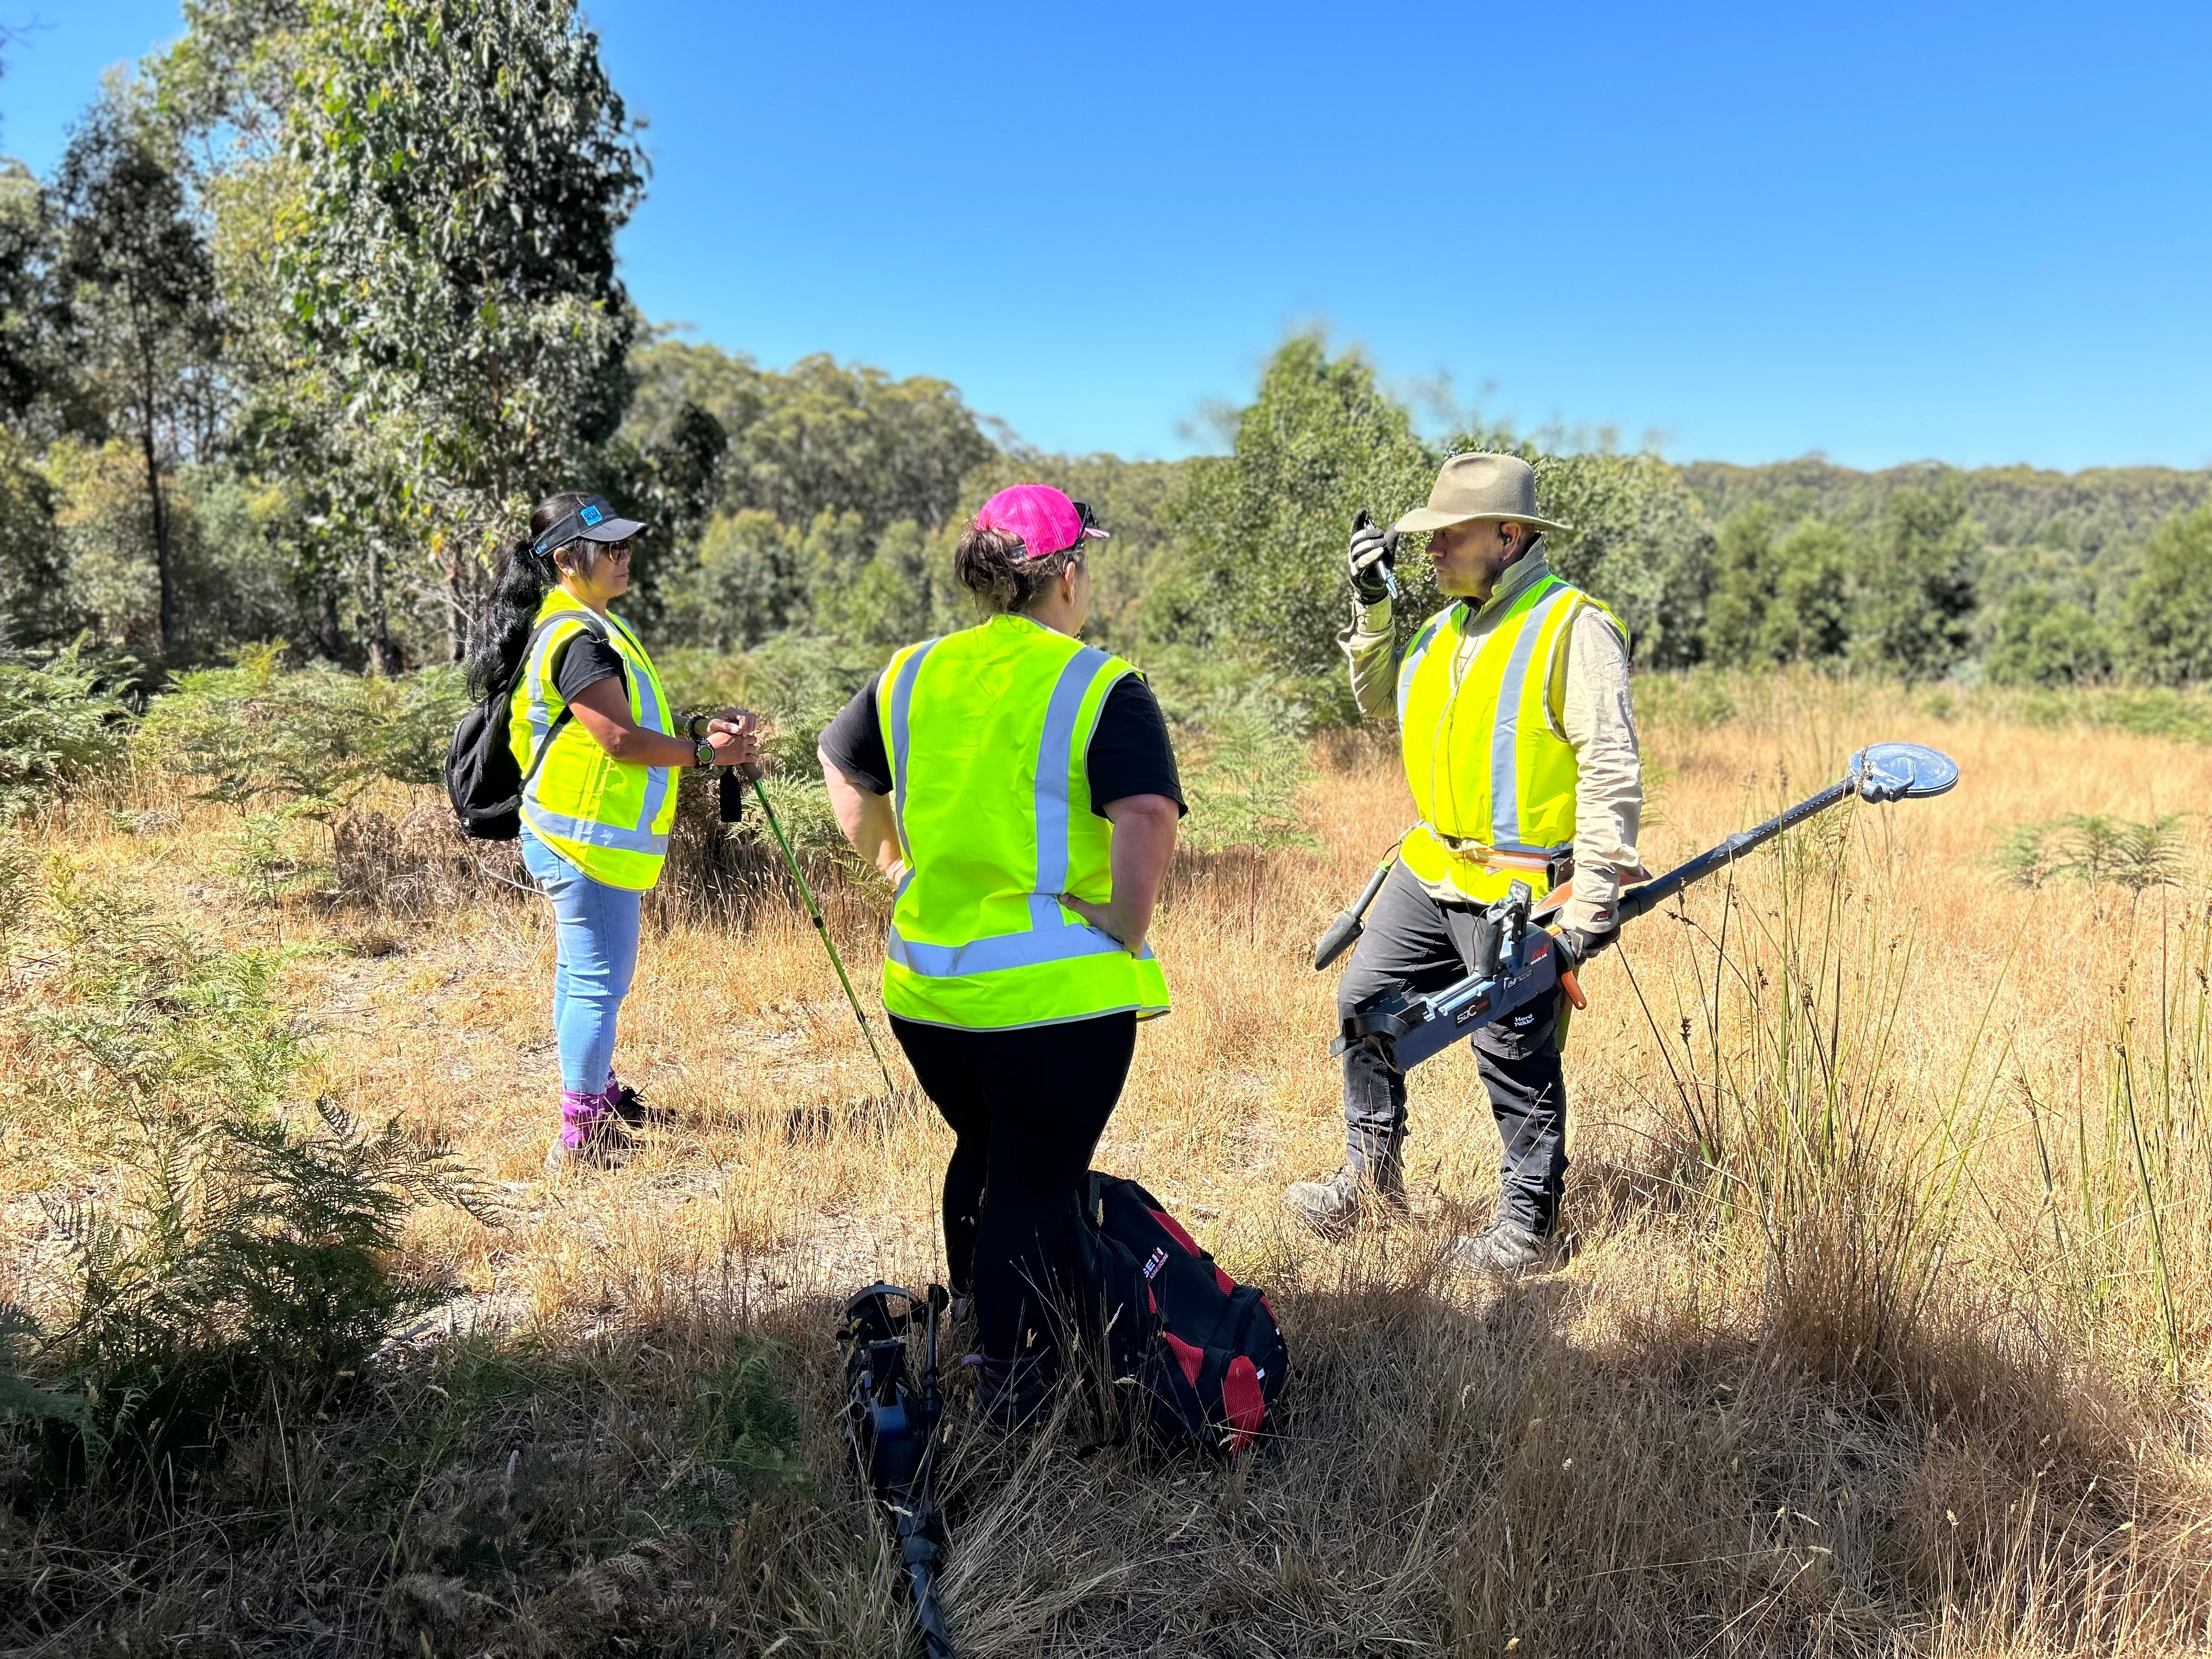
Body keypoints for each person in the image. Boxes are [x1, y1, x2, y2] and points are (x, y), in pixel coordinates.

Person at [817, 484, 1184, 1422]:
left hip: (929, 996)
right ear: (1065, 573)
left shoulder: (911, 672)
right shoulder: (1097, 682)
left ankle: (986, 1320)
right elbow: (1144, 811)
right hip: (1050, 1003)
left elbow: (841, 762)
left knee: (984, 1148)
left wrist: (891, 864)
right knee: (1033, 1179)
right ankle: (1015, 1387)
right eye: (1086, 564)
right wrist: (1127, 922)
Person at [1282, 453, 1645, 1271]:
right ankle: (1370, 1183)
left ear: (1510, 536)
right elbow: (1378, 697)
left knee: (1513, 1053)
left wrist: (1591, 904)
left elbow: (1612, 767)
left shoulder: (1572, 627)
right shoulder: (1444, 628)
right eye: (1431, 536)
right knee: (1365, 1000)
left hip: (1521, 886)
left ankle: (1526, 1229)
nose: (1433, 549)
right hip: (1433, 867)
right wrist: (1372, 605)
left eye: (1452, 533)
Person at [465, 491, 759, 1173]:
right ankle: (581, 1133)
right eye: (612, 549)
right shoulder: (577, 637)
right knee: (599, 981)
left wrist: (693, 732)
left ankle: (595, 1094)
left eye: (628, 546)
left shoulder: (587, 623)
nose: (627, 559)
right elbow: (622, 742)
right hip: (585, 840)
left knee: (583, 974)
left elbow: (631, 718)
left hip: (577, 834)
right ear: (567, 559)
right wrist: (714, 757)